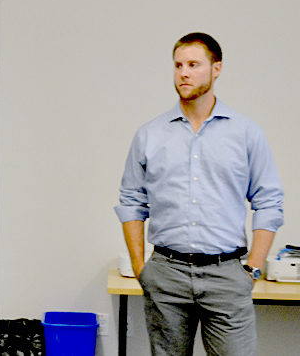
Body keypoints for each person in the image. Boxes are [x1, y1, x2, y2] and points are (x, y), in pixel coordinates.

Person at [115, 32, 284, 356]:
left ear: (216, 68)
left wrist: (253, 268)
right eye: (178, 65)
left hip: (227, 275)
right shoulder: (149, 134)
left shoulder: (246, 133)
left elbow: (268, 201)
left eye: (194, 64)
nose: (184, 73)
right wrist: (141, 268)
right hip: (166, 274)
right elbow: (132, 201)